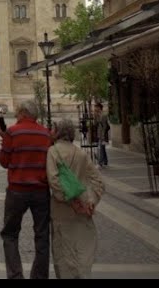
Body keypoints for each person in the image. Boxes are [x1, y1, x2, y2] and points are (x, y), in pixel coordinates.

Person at [0, 99, 52, 280]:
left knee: (10, 234)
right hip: (41, 191)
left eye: (18, 113)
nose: (16, 116)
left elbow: (4, 162)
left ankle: (15, 276)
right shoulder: (46, 134)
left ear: (23, 114)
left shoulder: (12, 132)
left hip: (17, 190)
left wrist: (4, 138)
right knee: (42, 235)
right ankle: (39, 277)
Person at [46, 118, 106, 279]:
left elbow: (53, 180)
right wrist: (91, 201)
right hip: (81, 212)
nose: (50, 131)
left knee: (63, 256)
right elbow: (99, 181)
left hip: (61, 212)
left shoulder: (53, 152)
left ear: (58, 131)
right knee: (81, 253)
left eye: (52, 128)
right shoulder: (81, 153)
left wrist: (69, 199)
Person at [92, 102, 111, 168]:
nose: (95, 108)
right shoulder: (97, 115)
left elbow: (105, 126)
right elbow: (95, 124)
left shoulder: (104, 115)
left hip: (103, 134)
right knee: (102, 148)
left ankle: (100, 163)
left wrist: (103, 136)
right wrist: (95, 116)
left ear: (99, 108)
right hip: (98, 133)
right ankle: (105, 161)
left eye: (96, 107)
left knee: (100, 148)